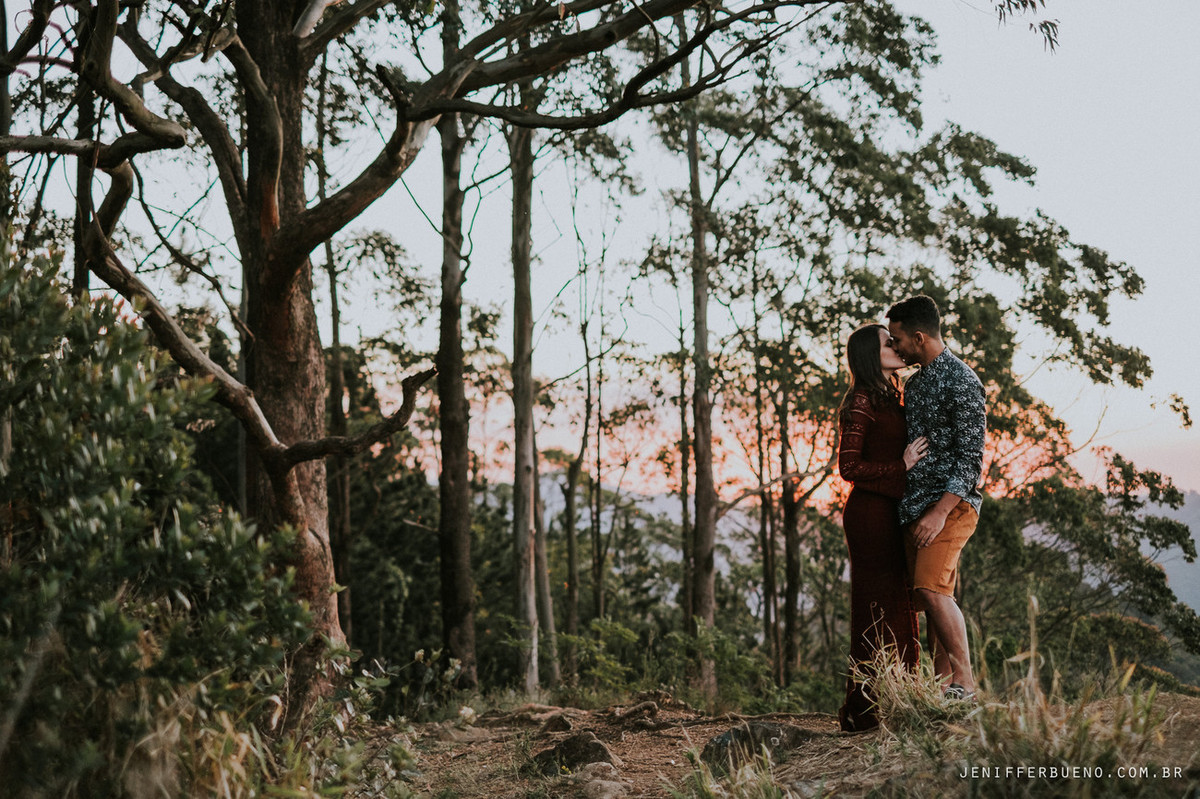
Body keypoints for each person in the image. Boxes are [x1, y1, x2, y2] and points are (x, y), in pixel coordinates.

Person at [886, 295, 986, 701]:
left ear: (920, 336)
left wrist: (940, 513)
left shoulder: (963, 381)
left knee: (930, 589)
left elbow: (971, 459)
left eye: (897, 340)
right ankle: (944, 687)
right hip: (914, 506)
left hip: (951, 507)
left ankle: (965, 681)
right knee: (932, 596)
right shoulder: (916, 382)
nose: (894, 348)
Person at [837, 323, 928, 732]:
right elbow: (848, 467)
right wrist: (901, 465)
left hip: (891, 511)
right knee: (876, 608)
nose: (896, 345)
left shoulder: (894, 393)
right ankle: (867, 708)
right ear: (870, 356)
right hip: (870, 516)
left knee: (897, 603)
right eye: (887, 343)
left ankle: (901, 697)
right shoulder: (860, 400)